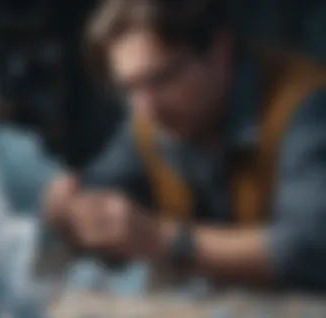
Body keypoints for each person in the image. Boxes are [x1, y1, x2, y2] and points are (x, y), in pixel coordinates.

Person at [45, 0, 326, 290]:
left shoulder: (308, 109)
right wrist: (73, 209)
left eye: (162, 78)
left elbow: (309, 249)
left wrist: (161, 240)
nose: (146, 109)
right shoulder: (152, 120)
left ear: (220, 52)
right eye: (129, 88)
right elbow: (105, 184)